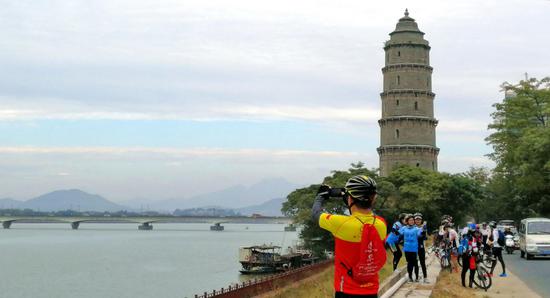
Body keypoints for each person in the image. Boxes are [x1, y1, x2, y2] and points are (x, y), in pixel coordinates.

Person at [312, 175, 387, 298]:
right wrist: (349, 195)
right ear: (373, 199)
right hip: (371, 290)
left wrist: (320, 197)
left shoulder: (341, 224)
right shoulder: (381, 224)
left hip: (346, 290)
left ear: (350, 199)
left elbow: (316, 214)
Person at [399, 214, 423, 282]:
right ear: (407, 221)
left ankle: (417, 277)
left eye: (412, 220)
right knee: (409, 263)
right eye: (410, 220)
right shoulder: (404, 228)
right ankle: (410, 277)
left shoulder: (417, 228)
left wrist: (423, 230)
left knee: (415, 263)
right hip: (406, 248)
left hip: (414, 248)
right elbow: (399, 234)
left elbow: (420, 234)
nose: (412, 221)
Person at [414, 213, 429, 283]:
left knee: (423, 262)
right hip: (414, 247)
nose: (418, 221)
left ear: (421, 220)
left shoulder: (423, 227)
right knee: (415, 263)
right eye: (416, 219)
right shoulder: (412, 227)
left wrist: (424, 231)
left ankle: (425, 277)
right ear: (414, 220)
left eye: (419, 219)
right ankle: (416, 277)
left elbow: (425, 238)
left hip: (421, 246)